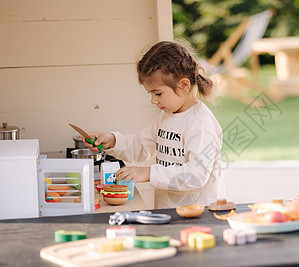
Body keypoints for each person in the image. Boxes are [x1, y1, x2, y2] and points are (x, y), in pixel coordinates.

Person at [84, 40, 225, 208]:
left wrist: (149, 173)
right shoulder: (165, 117)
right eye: (150, 93)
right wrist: (113, 140)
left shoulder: (200, 124)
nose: (153, 100)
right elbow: (141, 146)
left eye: (158, 93)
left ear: (184, 85)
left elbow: (196, 175)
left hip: (198, 216)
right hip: (169, 212)